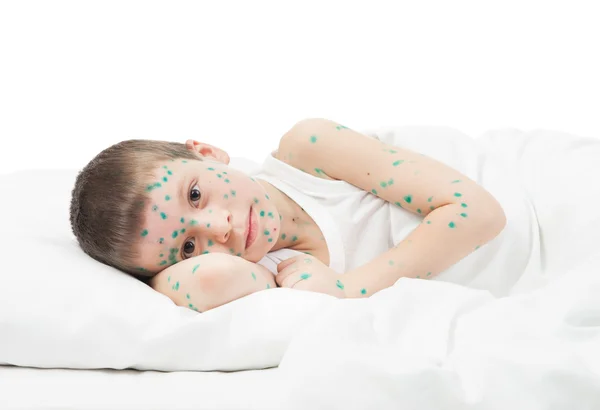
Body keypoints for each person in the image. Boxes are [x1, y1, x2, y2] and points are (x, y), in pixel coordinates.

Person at [69, 118, 507, 312]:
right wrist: (153, 279)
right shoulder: (267, 277)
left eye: (196, 194)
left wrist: (347, 291)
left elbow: (479, 213)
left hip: (523, 194)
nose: (220, 228)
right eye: (187, 246)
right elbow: (206, 283)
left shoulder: (308, 150)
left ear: (205, 152)